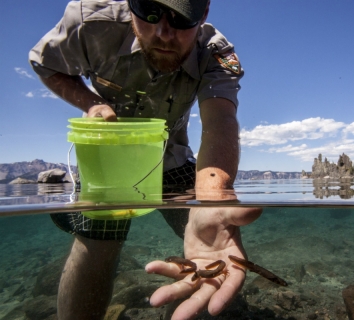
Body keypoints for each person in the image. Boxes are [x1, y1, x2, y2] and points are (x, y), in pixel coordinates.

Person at [29, 0, 261, 319]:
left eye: (181, 18)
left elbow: (220, 121)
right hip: (108, 164)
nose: (163, 33)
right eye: (149, 13)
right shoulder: (89, 22)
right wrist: (92, 104)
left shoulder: (215, 53)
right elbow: (45, 63)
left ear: (204, 13)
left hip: (172, 158)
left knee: (215, 232)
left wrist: (213, 195)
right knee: (97, 246)